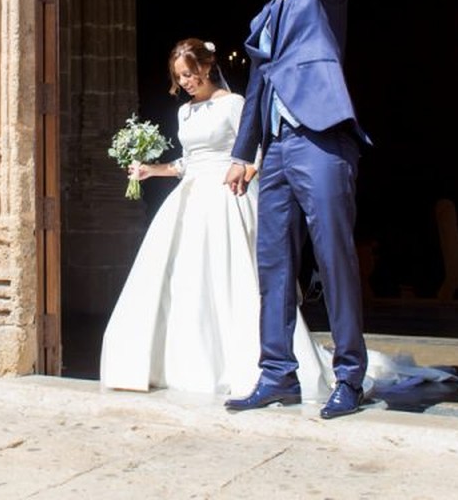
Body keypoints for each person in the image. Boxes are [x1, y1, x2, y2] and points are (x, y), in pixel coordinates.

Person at [224, 0, 370, 419]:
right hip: (276, 152)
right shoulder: (263, 17)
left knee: (333, 257)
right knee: (274, 263)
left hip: (322, 139)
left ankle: (350, 378)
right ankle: (276, 373)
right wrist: (242, 153)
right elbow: (258, 91)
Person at [100, 38, 334, 398]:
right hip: (192, 197)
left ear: (207, 67)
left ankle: (261, 364)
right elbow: (189, 162)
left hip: (228, 196)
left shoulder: (233, 104)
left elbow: (256, 149)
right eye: (180, 77)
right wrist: (151, 170)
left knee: (234, 277)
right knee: (185, 280)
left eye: (191, 74)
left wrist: (245, 173)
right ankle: (185, 362)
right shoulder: (184, 112)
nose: (187, 82)